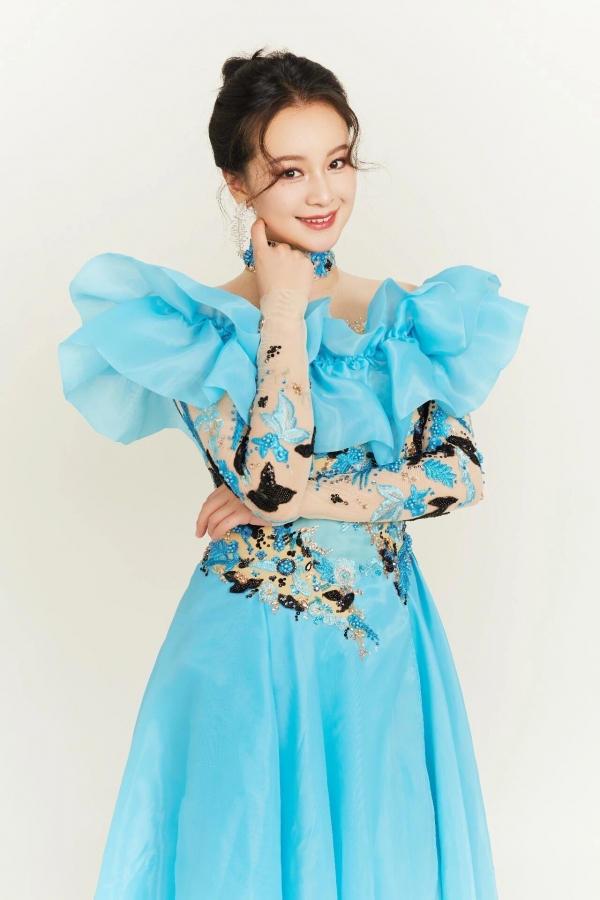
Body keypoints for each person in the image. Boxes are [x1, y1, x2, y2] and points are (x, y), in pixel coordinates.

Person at [58, 48, 529, 900]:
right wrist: (280, 308)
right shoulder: (201, 331)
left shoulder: (400, 317)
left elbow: (458, 475)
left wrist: (310, 498)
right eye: (289, 171)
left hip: (384, 653)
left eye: (338, 162)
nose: (323, 194)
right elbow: (270, 480)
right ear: (239, 185)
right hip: (250, 655)